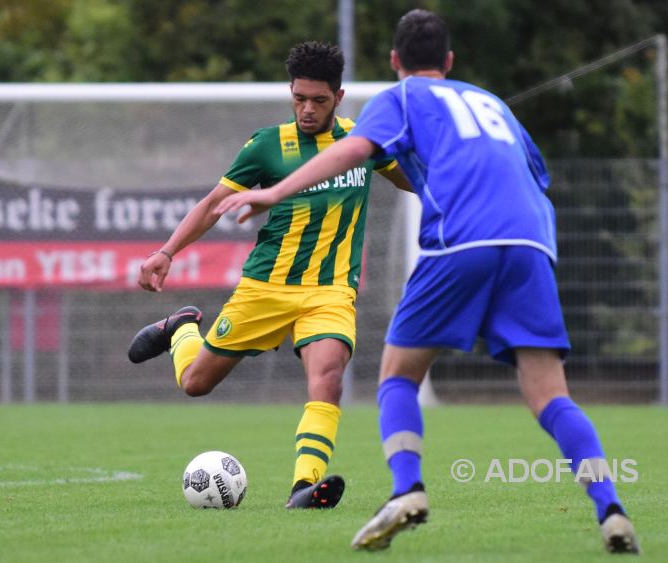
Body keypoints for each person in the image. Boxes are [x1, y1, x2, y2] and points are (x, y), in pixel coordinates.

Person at [215, 10, 640, 555]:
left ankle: (406, 490)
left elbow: (354, 149)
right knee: (550, 394)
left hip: (463, 241)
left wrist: (274, 193)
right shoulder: (494, 104)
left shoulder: (401, 98)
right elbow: (535, 175)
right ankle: (610, 509)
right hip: (533, 244)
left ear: (395, 62)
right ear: (450, 62)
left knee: (397, 374)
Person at [127, 41, 411, 510]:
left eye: (318, 100)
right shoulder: (266, 145)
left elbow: (411, 179)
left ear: (338, 98)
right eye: (299, 98)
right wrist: (167, 251)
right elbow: (213, 205)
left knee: (328, 378)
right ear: (290, 92)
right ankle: (181, 329)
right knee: (196, 384)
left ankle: (304, 486)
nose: (306, 108)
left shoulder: (362, 142)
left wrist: (427, 156)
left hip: (330, 291)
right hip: (265, 289)